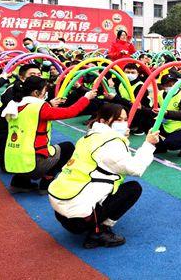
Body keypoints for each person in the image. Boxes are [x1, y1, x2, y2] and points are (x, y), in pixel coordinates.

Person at [48, 103, 159, 249]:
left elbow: (109, 160)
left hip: (61, 211)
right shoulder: (111, 143)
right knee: (133, 188)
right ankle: (99, 231)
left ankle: (93, 222)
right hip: (78, 218)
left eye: (125, 119)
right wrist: (149, 144)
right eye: (118, 119)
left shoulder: (88, 137)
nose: (123, 123)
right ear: (103, 121)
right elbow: (135, 168)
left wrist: (120, 139)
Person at [2, 76, 97, 194]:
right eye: (44, 91)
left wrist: (49, 105)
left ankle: (19, 182)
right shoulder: (40, 108)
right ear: (36, 92)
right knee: (67, 147)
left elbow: (32, 115)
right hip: (34, 161)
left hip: (13, 159)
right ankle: (47, 181)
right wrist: (86, 98)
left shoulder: (14, 105)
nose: (45, 93)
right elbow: (71, 111)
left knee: (27, 144)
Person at [0, 64, 43, 163]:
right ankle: (6, 158)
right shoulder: (13, 91)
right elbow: (24, 113)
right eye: (32, 74)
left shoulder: (30, 90)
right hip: (0, 137)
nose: (36, 77)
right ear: (22, 77)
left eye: (39, 74)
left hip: (7, 133)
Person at [153, 74, 181, 157]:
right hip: (166, 124)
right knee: (144, 120)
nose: (172, 86)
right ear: (163, 86)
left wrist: (166, 113)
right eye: (168, 85)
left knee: (170, 144)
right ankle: (161, 147)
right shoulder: (160, 94)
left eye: (174, 84)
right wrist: (143, 108)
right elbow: (154, 109)